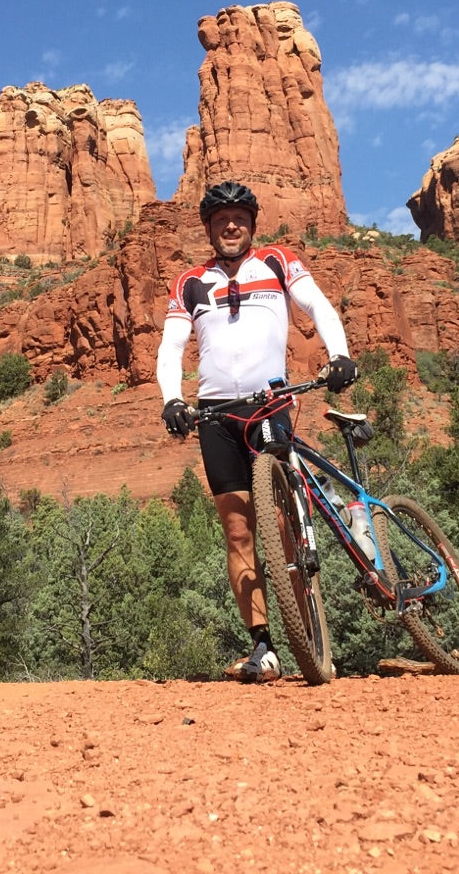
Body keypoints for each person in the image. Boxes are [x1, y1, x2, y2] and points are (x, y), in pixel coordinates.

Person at [156, 181, 357, 682]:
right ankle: (263, 647)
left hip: (271, 403)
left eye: (239, 218)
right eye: (221, 219)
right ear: (208, 227)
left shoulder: (277, 261)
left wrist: (339, 354)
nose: (230, 225)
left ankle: (306, 627)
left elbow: (318, 306)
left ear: (252, 223)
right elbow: (169, 346)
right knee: (238, 529)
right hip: (216, 416)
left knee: (283, 523)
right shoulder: (189, 282)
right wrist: (172, 400)